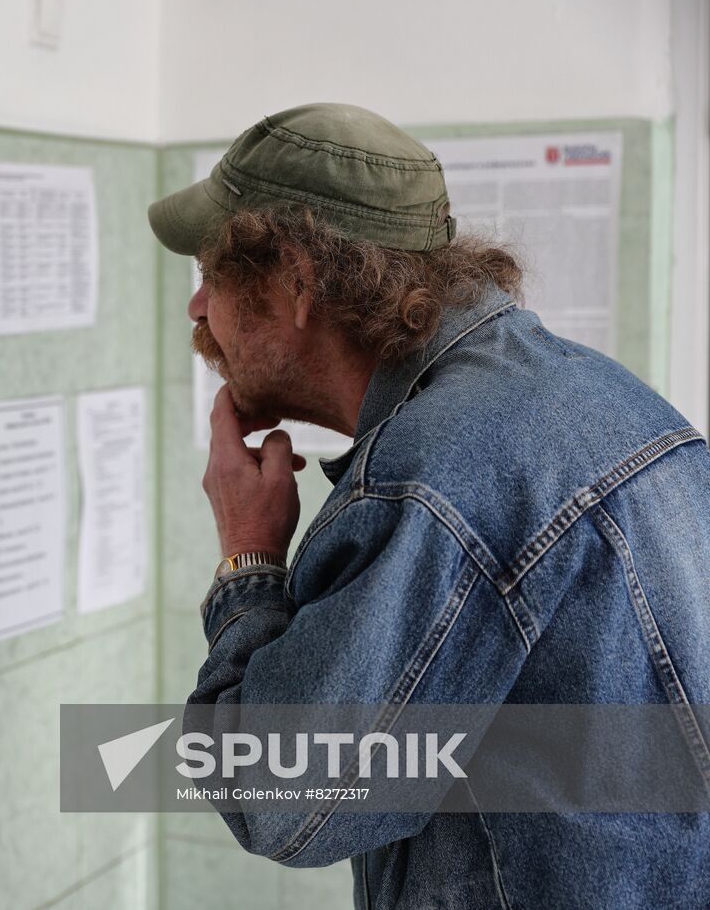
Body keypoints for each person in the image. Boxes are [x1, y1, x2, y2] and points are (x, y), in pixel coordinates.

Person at [151, 103, 710, 907]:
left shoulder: (433, 479)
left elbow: (278, 799)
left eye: (213, 275)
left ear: (297, 285)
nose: (198, 308)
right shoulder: (611, 398)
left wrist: (249, 557)